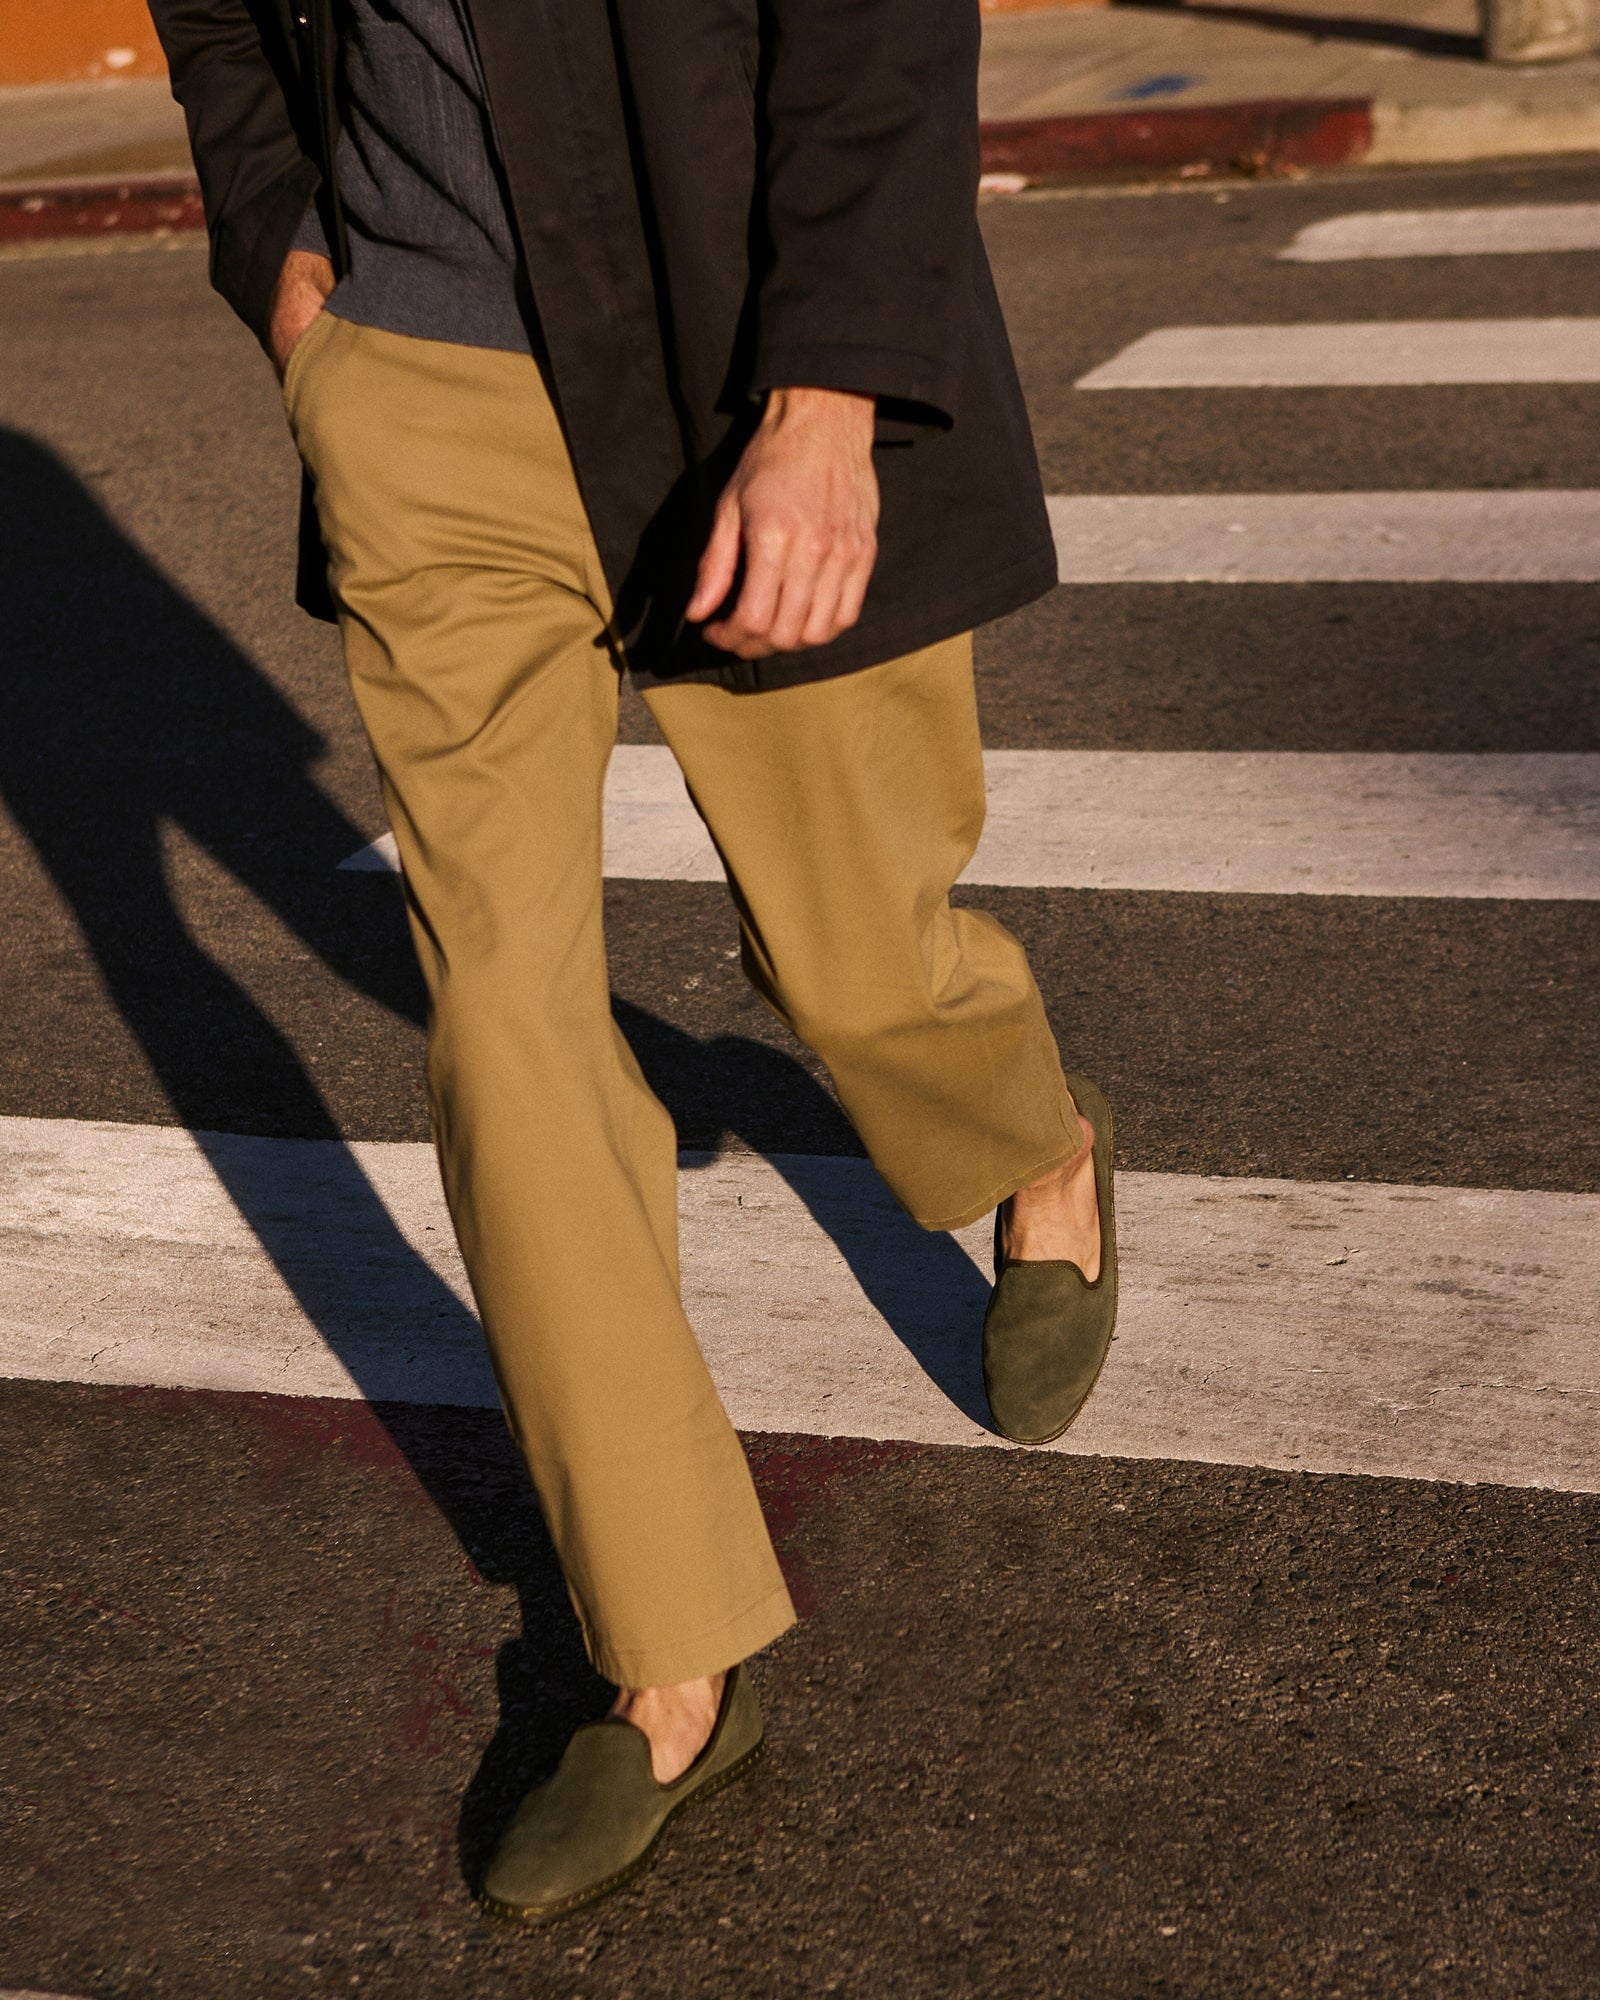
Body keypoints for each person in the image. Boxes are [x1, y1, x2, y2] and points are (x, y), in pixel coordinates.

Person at [149, 0, 1119, 1924]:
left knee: (852, 955)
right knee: (505, 1036)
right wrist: (286, 269)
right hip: (419, 392)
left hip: (734, 365)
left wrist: (834, 396)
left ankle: (1037, 1146)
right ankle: (669, 1659)